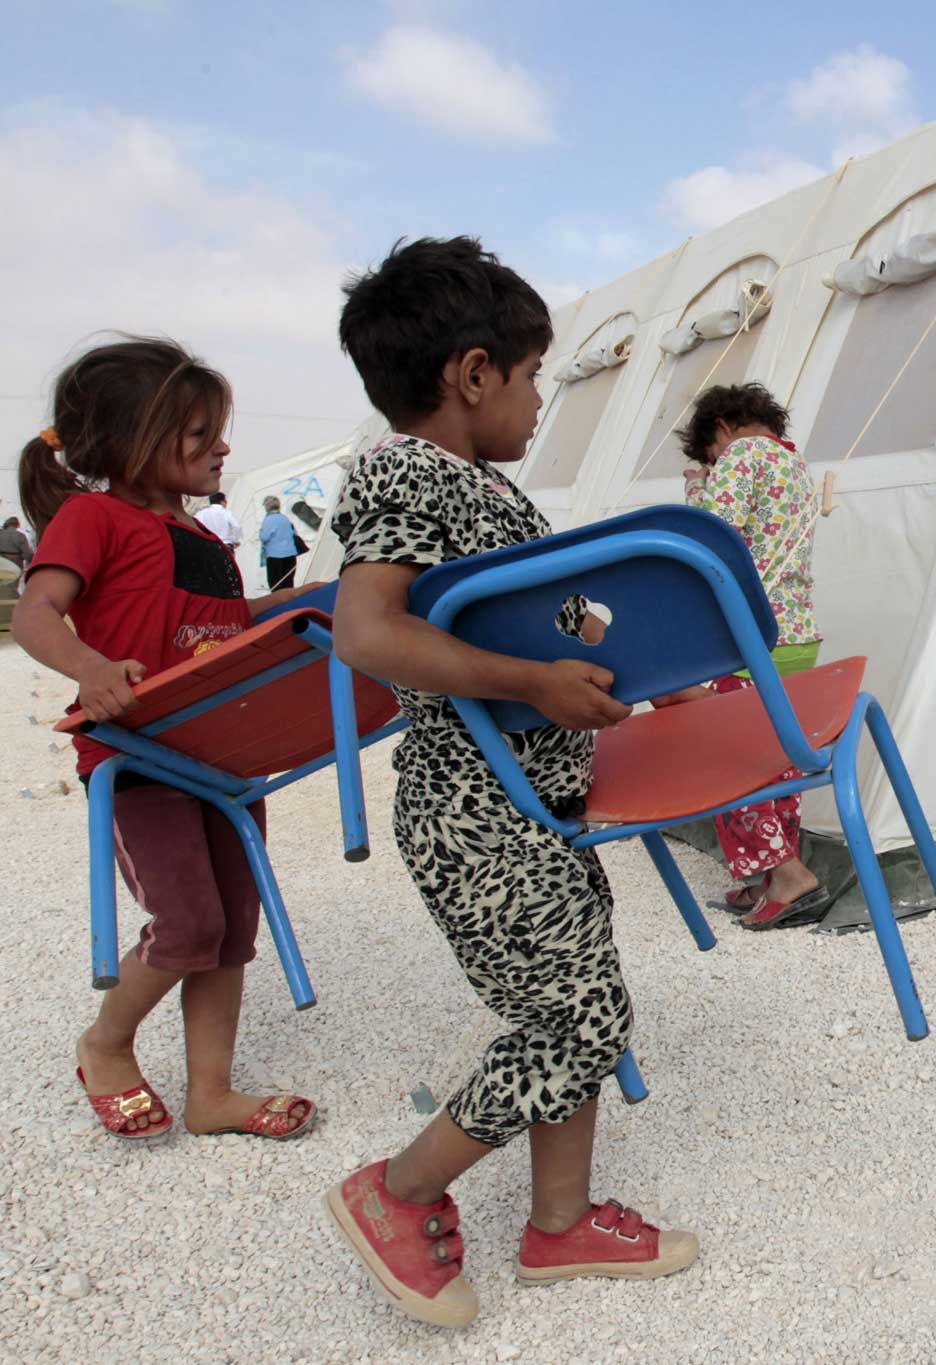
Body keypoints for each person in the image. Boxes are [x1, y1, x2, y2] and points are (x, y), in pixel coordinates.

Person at [324, 237, 696, 1330]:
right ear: (471, 373)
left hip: (533, 812)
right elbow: (366, 629)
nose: (540, 399)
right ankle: (395, 1192)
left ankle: (560, 1222)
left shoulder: (478, 490)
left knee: (576, 1001)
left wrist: (642, 668)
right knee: (576, 1023)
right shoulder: (404, 473)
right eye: (533, 375)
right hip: (473, 815)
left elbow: (538, 627)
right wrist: (530, 677)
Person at [11, 338, 323, 1143]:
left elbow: (227, 629)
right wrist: (86, 667)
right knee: (185, 922)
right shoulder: (93, 518)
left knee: (232, 928)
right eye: (198, 433)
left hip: (223, 759)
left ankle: (211, 1092)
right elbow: (38, 611)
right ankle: (106, 1042)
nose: (221, 446)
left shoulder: (209, 541)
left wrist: (313, 600)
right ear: (131, 441)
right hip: (139, 758)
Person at [658, 382, 827, 930]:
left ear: (723, 427)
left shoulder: (741, 455)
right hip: (796, 632)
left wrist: (695, 491)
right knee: (773, 761)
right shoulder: (793, 465)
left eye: (709, 452)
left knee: (732, 763)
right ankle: (762, 878)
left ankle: (788, 874)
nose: (712, 463)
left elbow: (710, 538)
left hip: (749, 636)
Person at [258, 495, 301, 589]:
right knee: (288, 584)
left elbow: (264, 537)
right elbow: (295, 533)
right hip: (290, 554)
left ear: (267, 506)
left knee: (276, 585)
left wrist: (260, 531)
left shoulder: (269, 519)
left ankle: (279, 603)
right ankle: (290, 603)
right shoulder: (285, 518)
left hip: (275, 556)